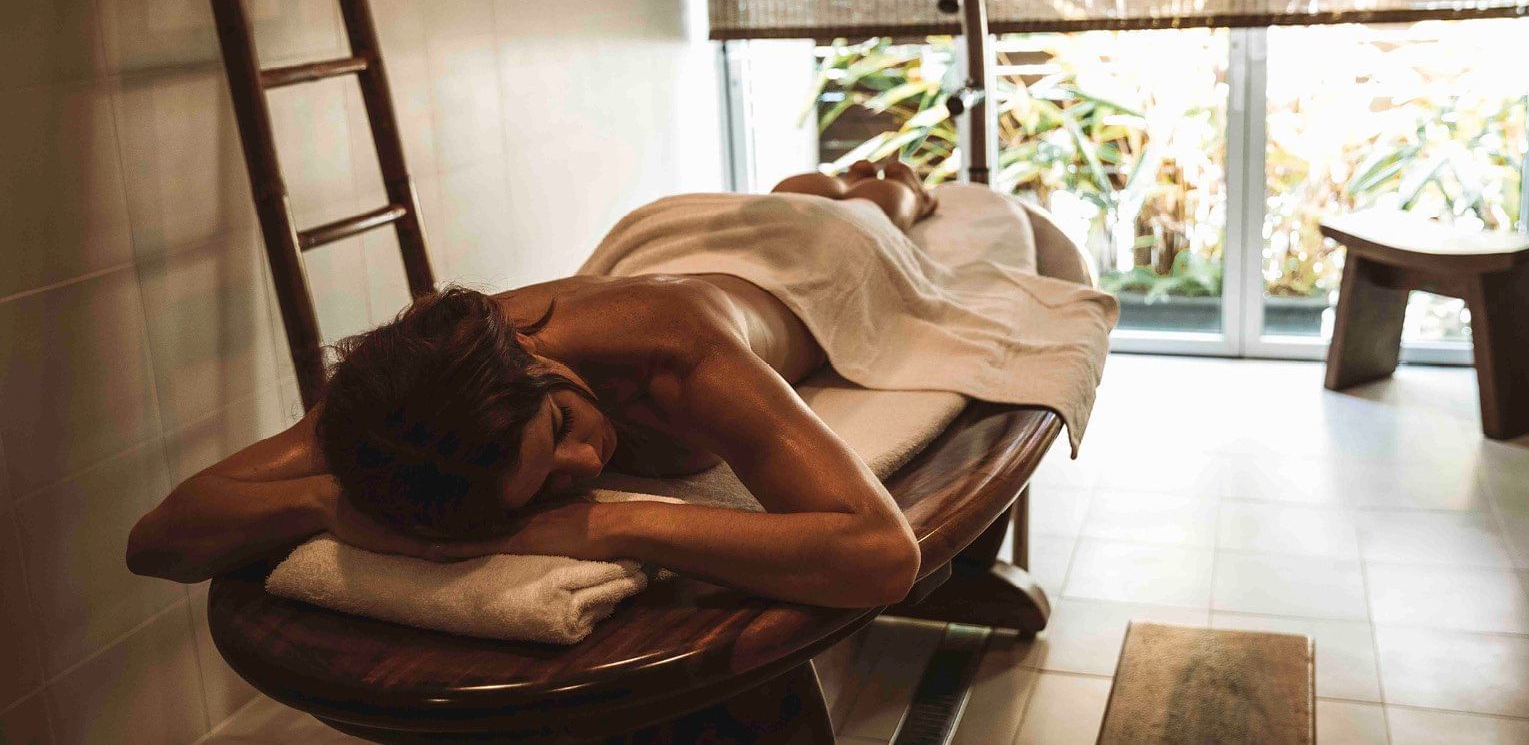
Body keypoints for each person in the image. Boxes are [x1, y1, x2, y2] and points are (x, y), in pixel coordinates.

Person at [127, 161, 940, 609]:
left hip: (813, 264)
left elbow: (875, 554)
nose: (586, 467)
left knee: (865, 202)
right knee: (801, 190)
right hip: (662, 236)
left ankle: (890, 182)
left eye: (559, 429)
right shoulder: (420, 389)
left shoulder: (673, 352)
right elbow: (158, 541)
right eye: (549, 484)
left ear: (535, 359)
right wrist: (323, 502)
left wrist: (621, 528)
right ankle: (824, 181)